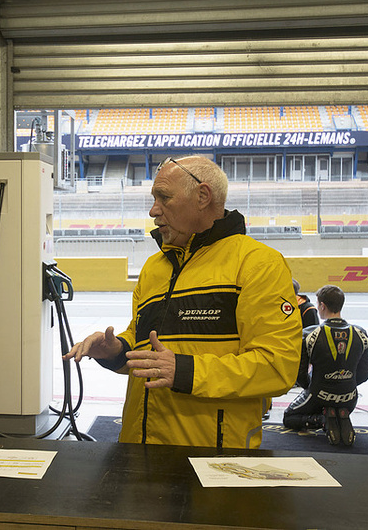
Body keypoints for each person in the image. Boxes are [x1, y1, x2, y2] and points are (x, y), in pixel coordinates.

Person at [65, 156, 302, 449]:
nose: (153, 211)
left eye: (164, 198)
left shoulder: (257, 264)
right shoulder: (154, 267)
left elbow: (277, 367)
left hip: (214, 459)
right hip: (138, 450)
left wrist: (186, 372)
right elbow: (146, 349)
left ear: (203, 196)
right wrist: (116, 350)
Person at [282, 285, 368, 446]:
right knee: (339, 397)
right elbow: (364, 374)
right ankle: (339, 414)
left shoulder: (310, 334)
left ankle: (322, 419)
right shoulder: (361, 333)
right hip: (349, 398)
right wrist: (344, 383)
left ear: (322, 306)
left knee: (289, 418)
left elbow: (300, 373)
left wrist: (311, 387)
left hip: (317, 395)